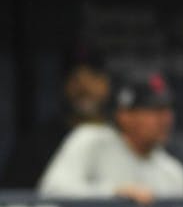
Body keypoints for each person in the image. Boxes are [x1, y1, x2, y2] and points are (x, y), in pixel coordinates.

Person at [38, 71, 183, 204]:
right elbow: (52, 191)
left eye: (168, 110)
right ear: (124, 116)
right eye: (155, 111)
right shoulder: (91, 140)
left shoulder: (174, 174)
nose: (166, 119)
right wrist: (113, 194)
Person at [1, 52, 110, 188]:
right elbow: (12, 198)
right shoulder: (38, 143)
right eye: (75, 79)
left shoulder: (125, 138)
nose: (84, 89)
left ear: (107, 85)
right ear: (63, 86)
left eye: (93, 78)